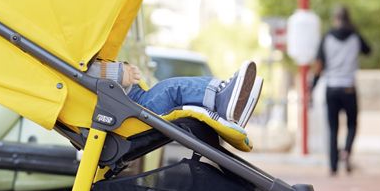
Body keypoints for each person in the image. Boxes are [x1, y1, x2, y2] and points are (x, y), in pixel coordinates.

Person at [87, 60, 264, 130]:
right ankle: (221, 99)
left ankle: (226, 100)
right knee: (172, 89)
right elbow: (85, 71)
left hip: (129, 101)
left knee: (172, 88)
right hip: (130, 110)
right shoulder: (67, 59)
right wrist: (118, 73)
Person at [312, 6, 371, 175]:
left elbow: (319, 65)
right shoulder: (355, 37)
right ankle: (346, 151)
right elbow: (368, 50)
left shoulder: (327, 37)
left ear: (335, 19)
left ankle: (333, 165)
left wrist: (313, 86)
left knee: (333, 128)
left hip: (331, 87)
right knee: (352, 124)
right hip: (348, 87)